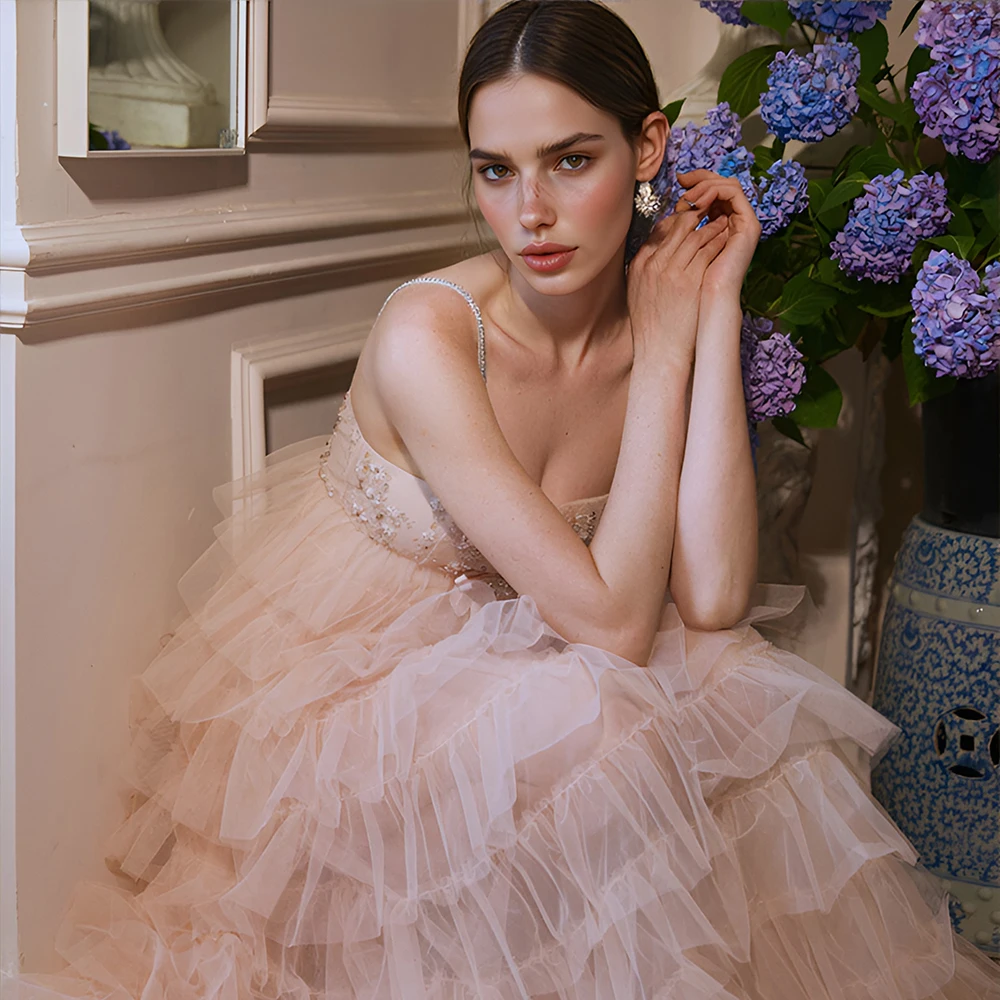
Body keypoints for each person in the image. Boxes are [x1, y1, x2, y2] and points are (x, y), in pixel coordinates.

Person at [14, 1, 1000, 997]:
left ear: (647, 147)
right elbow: (615, 628)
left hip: (562, 643)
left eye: (570, 160)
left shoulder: (658, 307)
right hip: (371, 692)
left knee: (736, 687)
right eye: (496, 170)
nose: (530, 211)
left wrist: (712, 309)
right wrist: (665, 352)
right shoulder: (429, 336)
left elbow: (712, 600)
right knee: (603, 726)